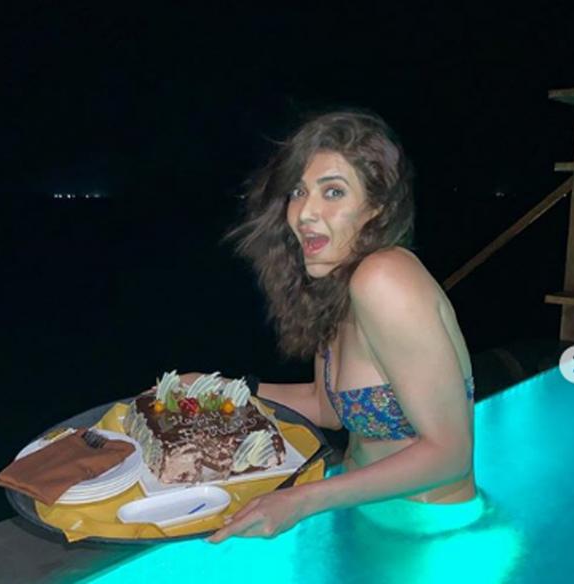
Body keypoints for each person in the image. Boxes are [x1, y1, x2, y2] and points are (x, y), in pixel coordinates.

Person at [187, 111, 478, 542]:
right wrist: (220, 389)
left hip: (425, 529)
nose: (305, 212)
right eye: (299, 191)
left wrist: (301, 501)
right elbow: (327, 409)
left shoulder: (384, 277)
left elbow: (451, 455)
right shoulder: (336, 288)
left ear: (376, 208)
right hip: (363, 511)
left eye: (333, 192)